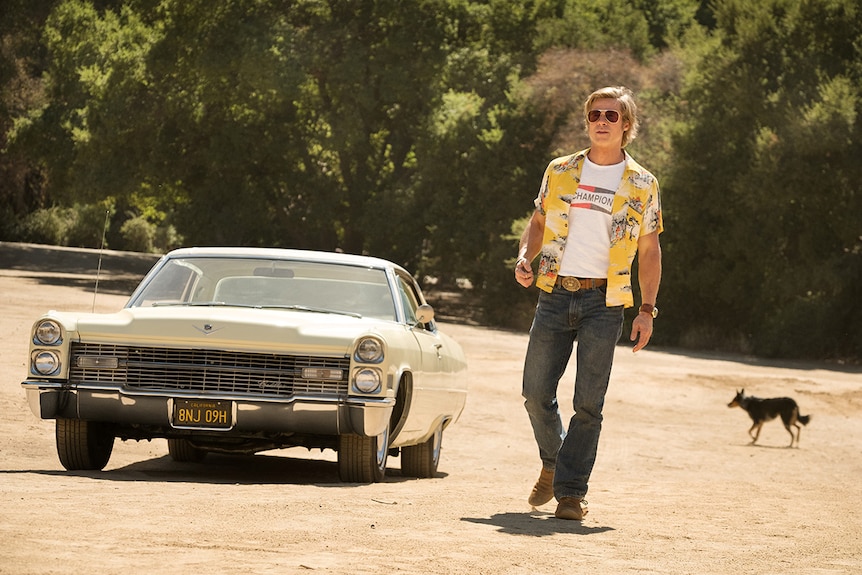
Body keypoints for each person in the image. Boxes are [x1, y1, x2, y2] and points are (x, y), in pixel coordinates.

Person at [514, 86, 663, 520]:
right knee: (534, 392)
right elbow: (538, 222)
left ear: (627, 126)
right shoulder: (560, 170)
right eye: (595, 113)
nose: (601, 120)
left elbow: (651, 250)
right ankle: (553, 459)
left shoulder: (642, 183)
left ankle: (571, 493)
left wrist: (647, 309)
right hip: (556, 293)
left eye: (612, 115)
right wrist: (526, 257)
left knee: (589, 404)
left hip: (606, 300)